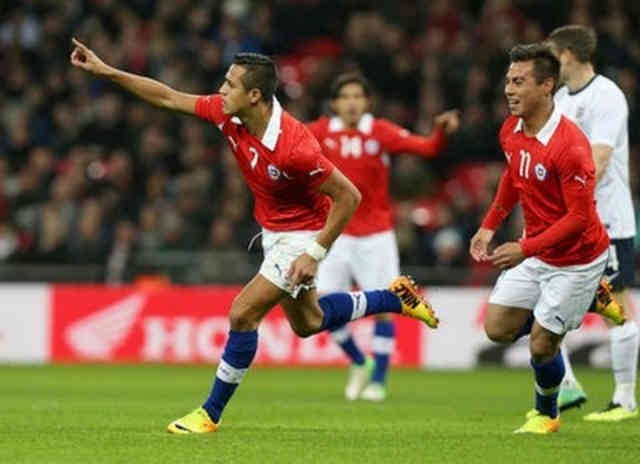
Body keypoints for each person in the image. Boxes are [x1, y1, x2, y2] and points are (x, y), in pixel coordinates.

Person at [70, 38, 439, 434]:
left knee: (243, 313)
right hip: (275, 233)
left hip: (303, 234)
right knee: (308, 322)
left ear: (255, 95)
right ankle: (395, 297)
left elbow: (349, 196)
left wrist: (314, 252)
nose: (222, 90)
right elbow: (167, 97)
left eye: (230, 84)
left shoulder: (294, 146)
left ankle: (209, 413)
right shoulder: (228, 114)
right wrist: (107, 71)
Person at [469, 43, 612, 434]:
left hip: (577, 258)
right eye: (508, 81)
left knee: (540, 345)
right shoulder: (510, 129)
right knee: (496, 329)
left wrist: (524, 248)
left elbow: (581, 219)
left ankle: (546, 415)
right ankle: (586, 304)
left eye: (519, 82)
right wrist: (489, 224)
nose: (509, 90)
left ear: (547, 85)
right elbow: (513, 176)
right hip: (536, 250)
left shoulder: (570, 146)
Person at [306, 73, 460, 401]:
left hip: (376, 236)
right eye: (345, 96)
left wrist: (440, 133)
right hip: (334, 235)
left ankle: (378, 380)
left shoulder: (380, 131)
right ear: (334, 103)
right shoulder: (318, 132)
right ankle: (358, 360)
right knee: (320, 309)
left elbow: (428, 148)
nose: (351, 103)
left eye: (357, 97)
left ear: (367, 102)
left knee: (388, 306)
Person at [548, 25, 638, 421]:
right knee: (546, 302)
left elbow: (598, 162)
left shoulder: (607, 96)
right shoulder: (561, 99)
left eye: (553, 55)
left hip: (607, 222)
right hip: (567, 221)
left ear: (568, 53)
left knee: (615, 308)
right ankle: (566, 385)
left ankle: (624, 398)